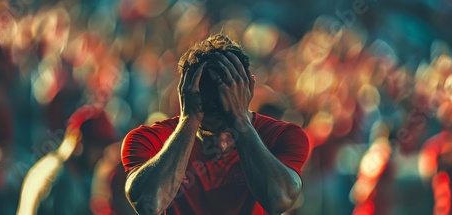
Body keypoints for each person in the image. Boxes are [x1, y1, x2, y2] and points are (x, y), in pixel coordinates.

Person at [121, 34, 310, 215]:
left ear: (249, 88)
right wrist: (189, 120)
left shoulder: (284, 135)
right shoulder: (147, 139)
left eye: (227, 127)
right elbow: (150, 204)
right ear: (185, 93)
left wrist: (239, 120)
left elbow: (279, 200)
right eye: (210, 126)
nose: (220, 143)